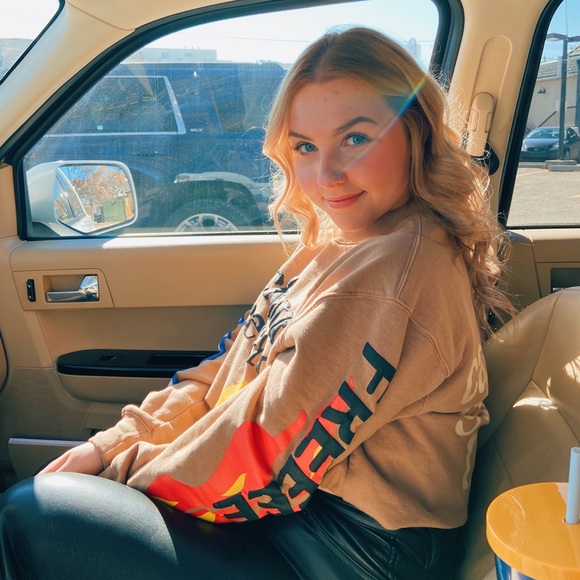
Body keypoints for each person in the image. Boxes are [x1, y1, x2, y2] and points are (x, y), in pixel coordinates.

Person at [0, 26, 513, 579]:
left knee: (30, 514)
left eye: (356, 138)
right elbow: (228, 370)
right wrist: (113, 445)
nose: (326, 175)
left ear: (416, 133)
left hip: (356, 550)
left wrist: (119, 476)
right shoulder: (344, 240)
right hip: (305, 507)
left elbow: (259, 449)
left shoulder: (394, 268)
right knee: (44, 507)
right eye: (305, 146)